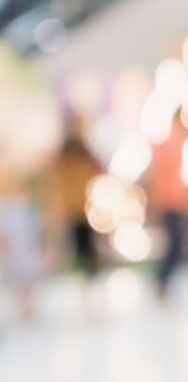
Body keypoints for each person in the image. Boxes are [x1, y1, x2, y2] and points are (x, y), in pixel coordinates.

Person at [148, 119, 188, 300]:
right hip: (169, 202)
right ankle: (161, 282)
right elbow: (161, 175)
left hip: (173, 201)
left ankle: (163, 284)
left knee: (175, 245)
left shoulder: (177, 142)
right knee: (174, 245)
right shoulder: (171, 142)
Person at [48, 131, 102, 282]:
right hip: (76, 208)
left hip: (81, 209)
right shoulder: (68, 161)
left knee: (85, 246)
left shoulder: (79, 159)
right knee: (79, 246)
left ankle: (87, 275)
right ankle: (84, 274)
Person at [0, 170, 41, 321]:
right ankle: (23, 306)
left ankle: (28, 307)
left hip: (25, 248)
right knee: (16, 277)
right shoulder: (6, 206)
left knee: (27, 276)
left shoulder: (25, 205)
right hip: (15, 249)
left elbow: (32, 228)